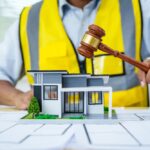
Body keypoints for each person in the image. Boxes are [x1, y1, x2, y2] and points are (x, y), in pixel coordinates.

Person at [0, 0, 150, 109]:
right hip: (53, 134)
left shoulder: (139, 9)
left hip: (124, 132)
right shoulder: (29, 19)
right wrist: (17, 98)